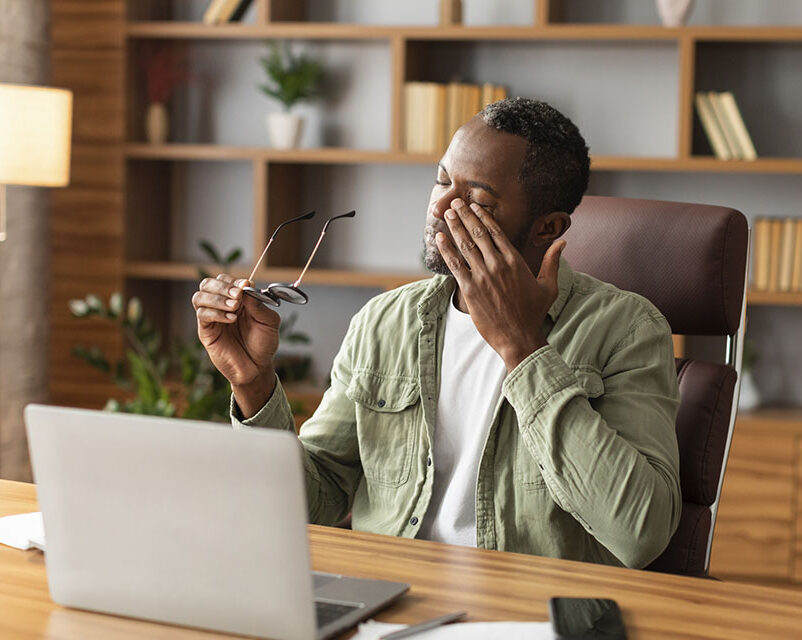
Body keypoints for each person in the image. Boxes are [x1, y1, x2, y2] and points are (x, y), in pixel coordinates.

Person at [191, 98, 681, 569]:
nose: (441, 206)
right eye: (441, 180)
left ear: (546, 228)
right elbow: (317, 498)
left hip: (526, 615)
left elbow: (640, 534)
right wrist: (252, 385)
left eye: (476, 199)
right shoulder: (384, 321)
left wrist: (523, 348)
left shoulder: (627, 330)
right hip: (388, 596)